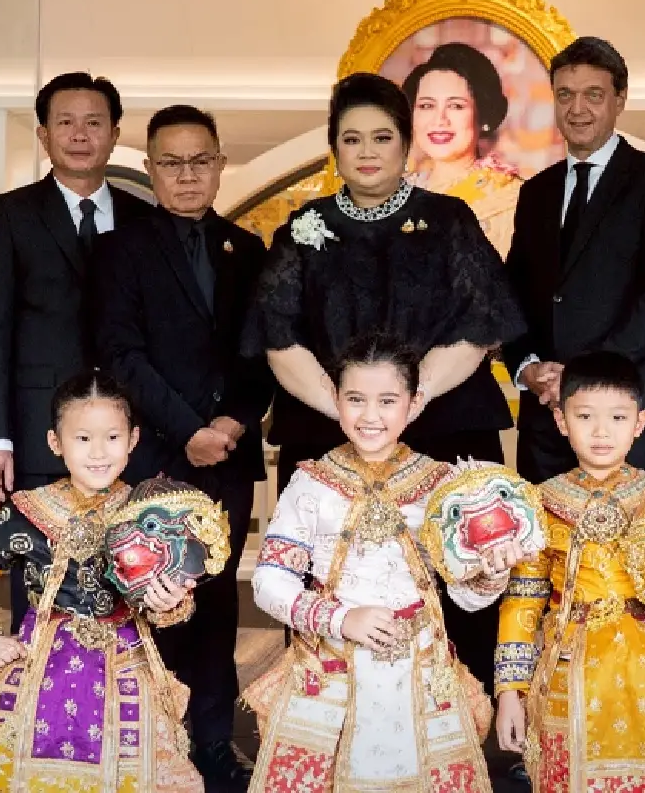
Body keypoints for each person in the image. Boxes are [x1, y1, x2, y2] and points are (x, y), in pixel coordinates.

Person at [244, 71, 526, 688]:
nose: (367, 152)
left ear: (405, 144)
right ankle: (326, 729)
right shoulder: (303, 228)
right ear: (334, 147)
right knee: (325, 578)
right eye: (352, 139)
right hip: (324, 427)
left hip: (442, 422)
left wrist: (407, 400)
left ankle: (458, 733)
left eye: (381, 137)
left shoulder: (450, 221)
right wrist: (346, 408)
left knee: (460, 577)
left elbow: (480, 326)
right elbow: (277, 336)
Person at [244, 333, 525, 793]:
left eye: (387, 401)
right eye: (355, 399)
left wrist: (490, 574)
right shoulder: (310, 484)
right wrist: (339, 618)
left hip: (420, 669)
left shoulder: (443, 486)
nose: (370, 416)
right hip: (331, 669)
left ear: (413, 404)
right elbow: (270, 582)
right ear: (334, 398)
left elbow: (465, 598)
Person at [93, 104, 274, 792]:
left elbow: (262, 355)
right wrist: (187, 430)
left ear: (221, 165)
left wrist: (230, 423)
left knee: (219, 597)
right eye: (172, 161)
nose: (188, 174)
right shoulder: (121, 249)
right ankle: (152, 738)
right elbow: (120, 352)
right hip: (155, 456)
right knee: (151, 596)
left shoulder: (248, 250)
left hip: (227, 454)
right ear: (150, 168)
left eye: (201, 160)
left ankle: (212, 740)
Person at [494, 351, 645, 793]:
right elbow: (523, 598)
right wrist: (509, 690)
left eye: (616, 416)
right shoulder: (540, 502)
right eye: (585, 415)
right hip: (570, 670)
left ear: (639, 421)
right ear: (561, 420)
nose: (601, 431)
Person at [0, 372, 204, 793]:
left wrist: (169, 603)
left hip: (125, 664)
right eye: (83, 439)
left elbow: (172, 599)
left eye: (112, 438)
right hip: (41, 666)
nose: (99, 452)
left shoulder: (150, 514)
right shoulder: (26, 513)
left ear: (133, 440)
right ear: (55, 443)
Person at [0, 72, 149, 624]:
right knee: (43, 580)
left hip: (125, 436)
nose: (79, 134)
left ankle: (123, 700)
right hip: (38, 431)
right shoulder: (9, 214)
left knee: (131, 576)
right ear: (44, 136)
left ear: (114, 134)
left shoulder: (144, 218)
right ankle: (40, 701)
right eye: (64, 122)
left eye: (93, 123)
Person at [504, 36, 645, 481]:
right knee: (545, 547)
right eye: (565, 95)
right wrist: (527, 367)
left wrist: (583, 374)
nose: (577, 109)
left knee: (629, 546)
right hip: (547, 416)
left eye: (594, 95)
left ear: (619, 100)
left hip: (625, 412)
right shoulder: (536, 193)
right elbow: (513, 294)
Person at [401, 42, 523, 251]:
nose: (439, 120)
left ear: (482, 114)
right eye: (426, 106)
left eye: (456, 106)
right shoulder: (397, 195)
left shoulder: (512, 199)